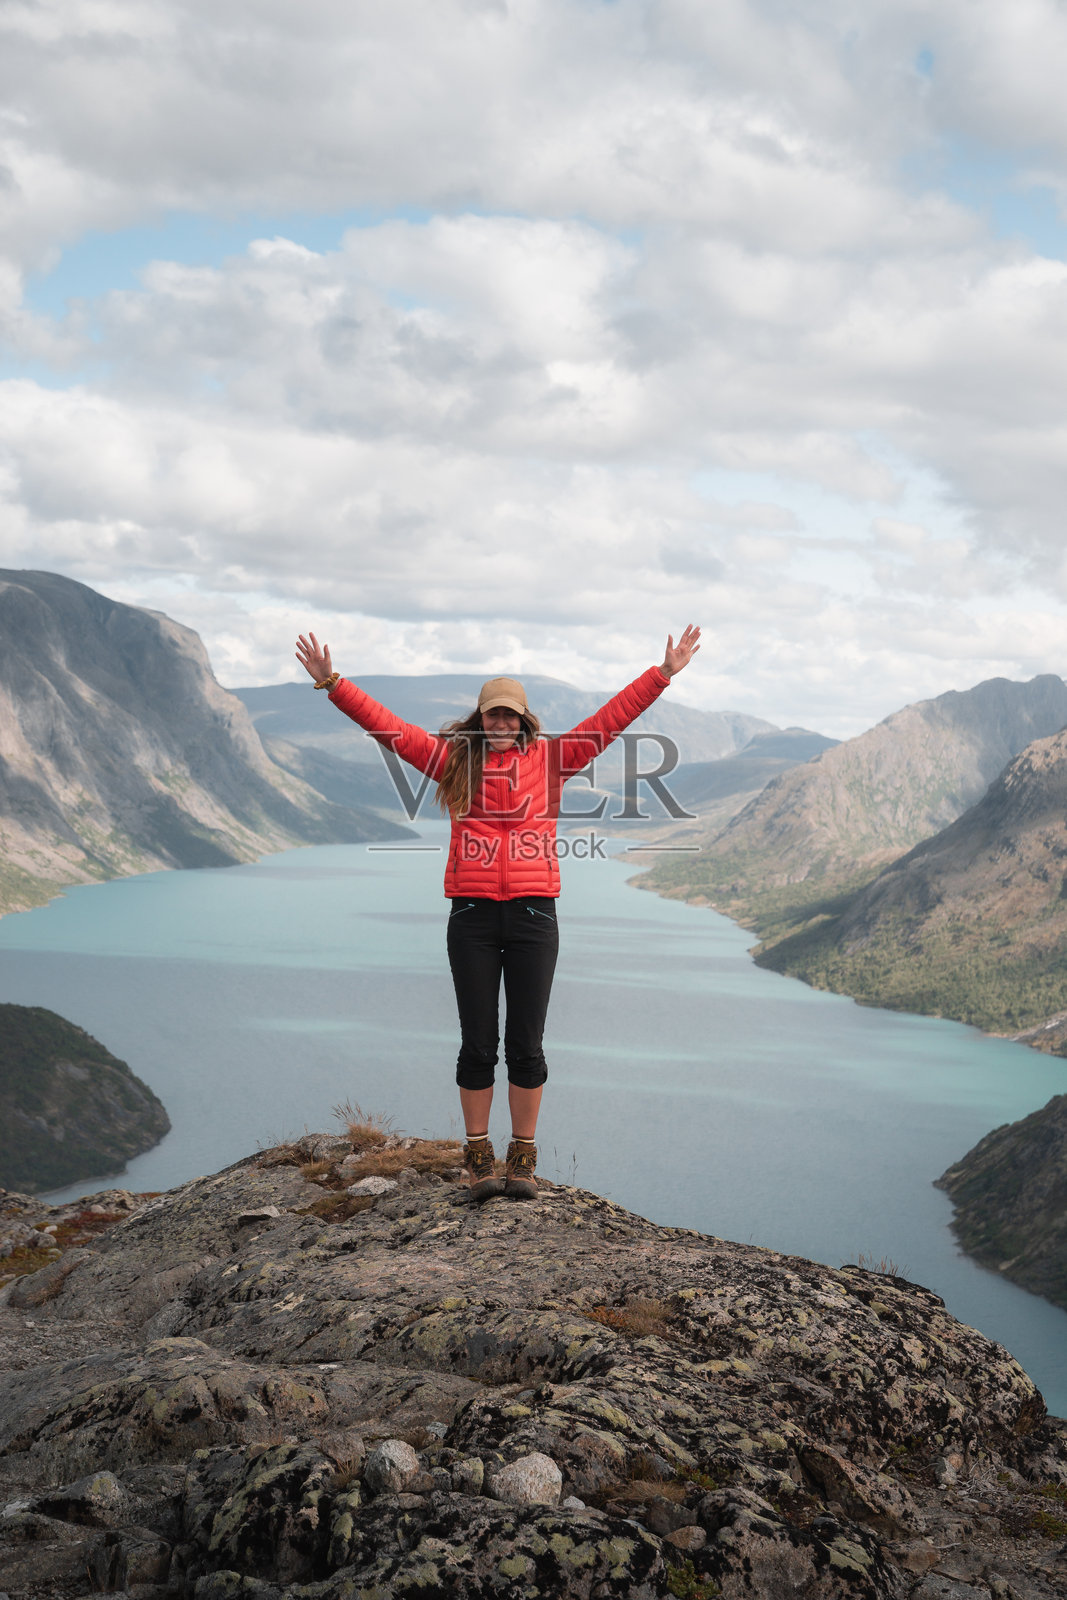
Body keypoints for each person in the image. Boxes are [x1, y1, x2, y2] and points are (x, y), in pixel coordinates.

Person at [294, 627, 701, 1201]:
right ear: (481, 718)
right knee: (477, 1042)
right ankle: (479, 1157)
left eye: (511, 716)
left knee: (527, 1044)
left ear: (524, 719)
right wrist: (334, 684)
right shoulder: (452, 762)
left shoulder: (555, 758)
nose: (502, 724)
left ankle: (523, 1160)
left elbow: (612, 719)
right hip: (473, 917)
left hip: (535, 915)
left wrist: (662, 673)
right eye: (494, 715)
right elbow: (390, 730)